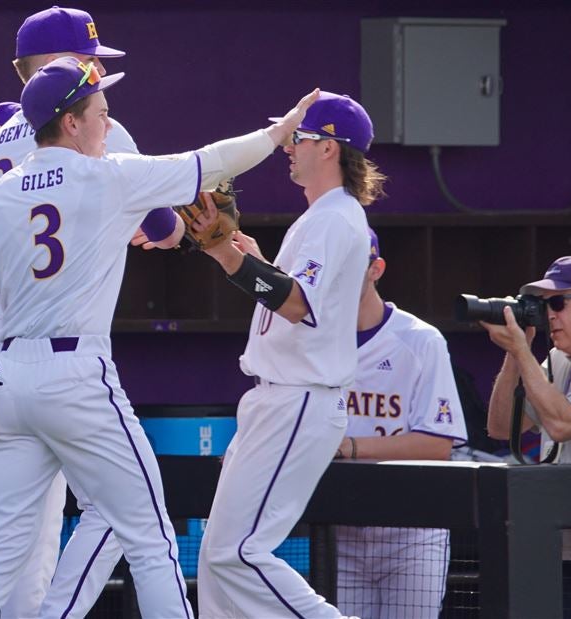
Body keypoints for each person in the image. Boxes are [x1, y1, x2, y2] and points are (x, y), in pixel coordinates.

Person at [0, 56, 320, 617]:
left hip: (9, 381)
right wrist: (277, 133)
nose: (108, 125)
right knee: (152, 540)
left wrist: (5, 259)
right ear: (71, 122)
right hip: (75, 373)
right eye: (100, 113)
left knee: (0, 550)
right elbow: (209, 163)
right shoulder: (107, 175)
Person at [0, 9, 180, 615]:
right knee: (119, 511)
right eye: (92, 57)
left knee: (19, 534)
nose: (101, 67)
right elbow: (162, 221)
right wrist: (158, 229)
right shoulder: (91, 122)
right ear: (66, 63)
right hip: (61, 343)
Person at [194, 91, 379, 618]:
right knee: (216, 558)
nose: (288, 147)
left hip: (299, 399)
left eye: (298, 137)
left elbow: (295, 304)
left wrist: (224, 253)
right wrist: (250, 258)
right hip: (280, 397)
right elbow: (293, 294)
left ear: (329, 148)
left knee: (239, 554)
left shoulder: (335, 217)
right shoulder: (323, 216)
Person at [334, 229, 468, 619]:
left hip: (411, 530)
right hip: (341, 530)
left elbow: (438, 445)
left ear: (376, 268)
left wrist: (350, 447)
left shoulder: (421, 340)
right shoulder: (315, 341)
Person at [483, 255, 571, 616]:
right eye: (543, 305)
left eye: (558, 302)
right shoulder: (558, 360)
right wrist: (514, 354)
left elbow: (563, 424)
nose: (549, 314)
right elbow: (500, 426)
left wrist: (523, 351)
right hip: (559, 546)